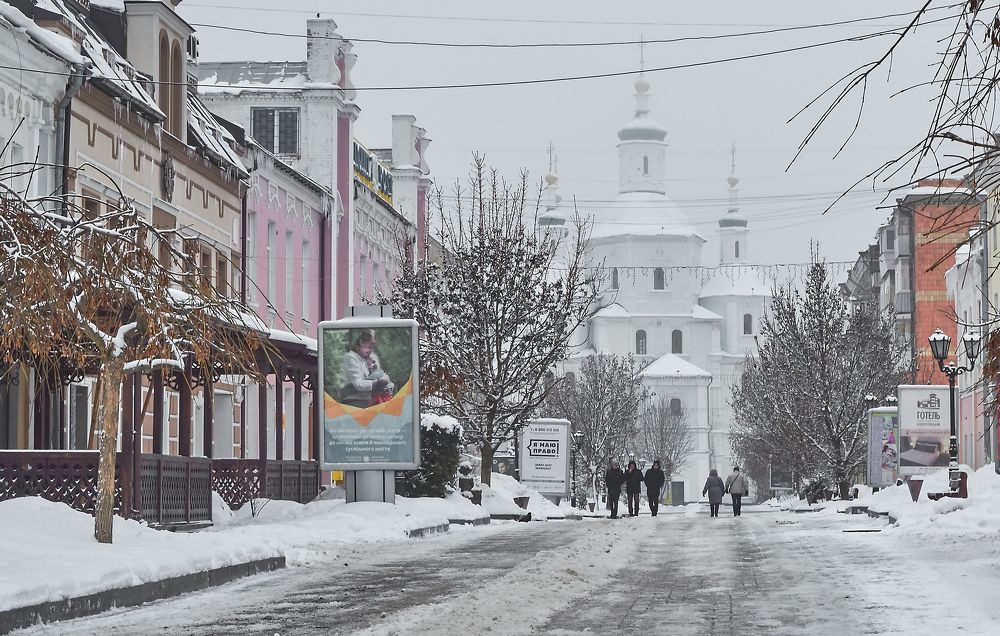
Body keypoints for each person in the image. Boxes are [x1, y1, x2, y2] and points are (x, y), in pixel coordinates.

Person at [340, 329, 394, 408]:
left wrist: (388, 387)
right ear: (361, 342)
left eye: (372, 348)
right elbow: (358, 384)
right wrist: (378, 382)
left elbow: (380, 375)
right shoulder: (351, 357)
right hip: (354, 401)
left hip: (370, 401)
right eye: (368, 347)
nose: (370, 350)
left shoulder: (372, 357)